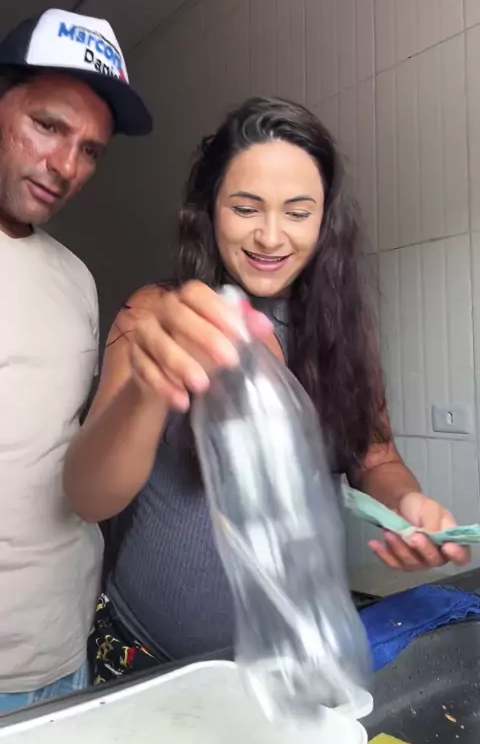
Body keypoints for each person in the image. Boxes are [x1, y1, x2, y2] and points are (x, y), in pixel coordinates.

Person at [64, 97, 470, 684]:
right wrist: (148, 389)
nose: (271, 236)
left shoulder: (342, 330)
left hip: (292, 670)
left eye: (297, 212)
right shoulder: (157, 314)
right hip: (149, 668)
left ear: (325, 219)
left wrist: (406, 504)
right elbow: (88, 499)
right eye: (245, 208)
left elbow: (376, 456)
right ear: (210, 210)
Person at [0, 8, 152, 711]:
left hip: (66, 653)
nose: (66, 167)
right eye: (48, 126)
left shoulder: (77, 279)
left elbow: (69, 462)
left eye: (90, 150)